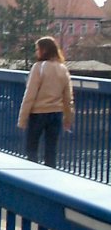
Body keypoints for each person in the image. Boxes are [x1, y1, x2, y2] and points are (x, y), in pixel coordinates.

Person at [17, 35, 74, 168]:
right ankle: (50, 177)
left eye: (38, 49)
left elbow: (29, 95)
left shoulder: (39, 67)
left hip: (38, 113)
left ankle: (32, 176)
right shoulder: (62, 68)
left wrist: (22, 118)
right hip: (56, 113)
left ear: (44, 50)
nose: (36, 52)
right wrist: (68, 118)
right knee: (51, 149)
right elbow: (68, 97)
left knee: (31, 148)